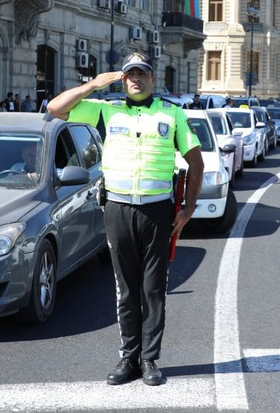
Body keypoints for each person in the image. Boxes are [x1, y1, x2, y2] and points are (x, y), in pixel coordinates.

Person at [47, 52, 204, 387]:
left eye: (142, 74)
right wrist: (93, 84)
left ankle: (149, 359)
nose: (136, 79)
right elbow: (55, 109)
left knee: (153, 288)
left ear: (152, 78)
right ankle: (128, 357)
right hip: (118, 208)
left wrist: (188, 209)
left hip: (157, 211)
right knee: (125, 290)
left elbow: (196, 161)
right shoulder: (107, 110)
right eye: (130, 74)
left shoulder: (171, 113)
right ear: (122, 79)